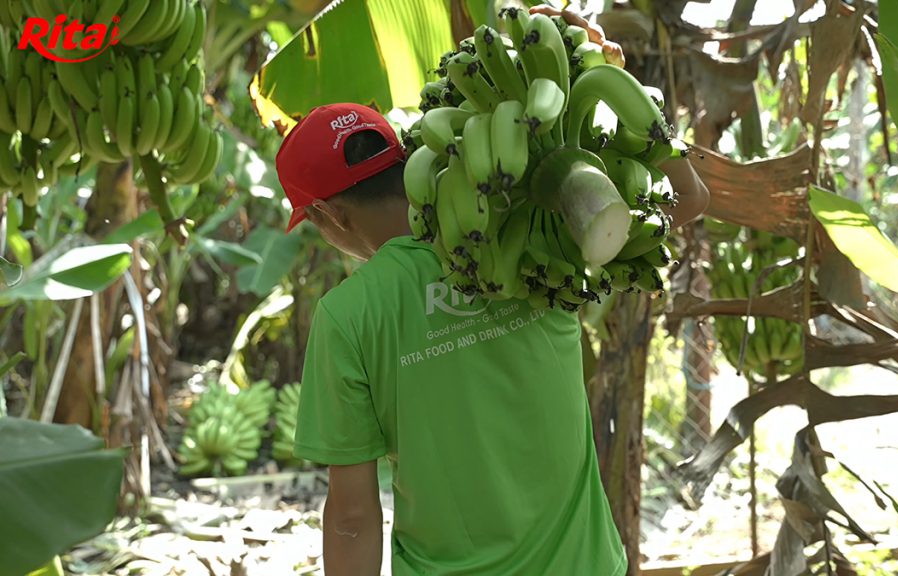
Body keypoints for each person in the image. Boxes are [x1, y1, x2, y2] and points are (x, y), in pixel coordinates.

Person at [277, 10, 710, 576]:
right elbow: (692, 198)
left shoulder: (349, 316)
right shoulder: (539, 229)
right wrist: (612, 90)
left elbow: (353, 515)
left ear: (329, 216)